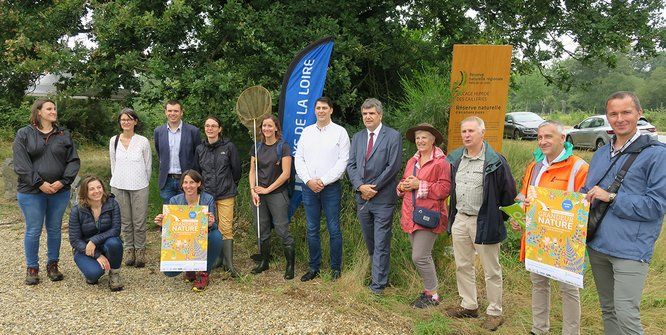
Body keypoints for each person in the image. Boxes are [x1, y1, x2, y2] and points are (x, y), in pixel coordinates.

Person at [582, 91, 666, 335]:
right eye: (613, 113)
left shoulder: (657, 155)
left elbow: (656, 206)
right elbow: (589, 192)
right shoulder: (600, 153)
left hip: (630, 249)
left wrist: (612, 197)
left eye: (626, 112)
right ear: (607, 117)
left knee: (627, 315)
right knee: (608, 310)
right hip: (597, 245)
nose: (620, 119)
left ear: (639, 113)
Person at [510, 121, 588, 335]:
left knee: (569, 290)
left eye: (548, 136)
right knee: (539, 285)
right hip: (537, 239)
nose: (542, 141)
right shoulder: (534, 166)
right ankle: (539, 329)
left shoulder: (578, 167)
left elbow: (585, 206)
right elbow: (523, 196)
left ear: (562, 138)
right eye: (539, 137)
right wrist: (518, 214)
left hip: (566, 242)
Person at [445, 116, 517, 331]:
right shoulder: (457, 159)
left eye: (471, 131)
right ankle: (469, 305)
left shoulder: (495, 161)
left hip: (484, 221)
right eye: (464, 131)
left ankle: (495, 312)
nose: (466, 135)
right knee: (462, 265)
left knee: (491, 270)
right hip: (460, 219)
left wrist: (498, 219)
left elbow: (508, 193)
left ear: (482, 133)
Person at [13, 98, 81, 285]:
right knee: (33, 229)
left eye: (54, 108)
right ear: (39, 112)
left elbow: (73, 160)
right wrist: (39, 183)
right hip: (31, 192)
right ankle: (32, 267)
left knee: (54, 229)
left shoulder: (63, 134)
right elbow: (21, 164)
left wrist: (62, 182)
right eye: (49, 108)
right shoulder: (24, 134)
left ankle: (53, 264)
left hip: (59, 191)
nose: (53, 111)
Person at [346, 98, 402, 294]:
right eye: (364, 114)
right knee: (370, 241)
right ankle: (377, 274)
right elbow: (351, 165)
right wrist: (361, 187)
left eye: (371, 113)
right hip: (362, 198)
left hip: (383, 199)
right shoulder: (358, 137)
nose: (368, 117)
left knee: (381, 241)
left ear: (380, 115)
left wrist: (373, 187)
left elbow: (393, 166)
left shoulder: (393, 136)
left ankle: (378, 285)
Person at [294, 96, 350, 282]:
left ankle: (335, 269)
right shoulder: (307, 132)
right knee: (312, 229)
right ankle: (314, 267)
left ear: (331, 110)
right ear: (314, 110)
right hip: (309, 187)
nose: (321, 111)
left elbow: (343, 161)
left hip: (331, 187)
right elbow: (298, 159)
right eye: (318, 108)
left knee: (333, 228)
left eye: (324, 108)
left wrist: (323, 181)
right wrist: (309, 180)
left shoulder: (340, 133)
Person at [397, 123, 451, 307]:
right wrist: (402, 186)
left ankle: (433, 296)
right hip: (411, 214)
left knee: (420, 256)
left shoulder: (441, 162)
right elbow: (406, 181)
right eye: (418, 138)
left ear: (433, 139)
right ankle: (428, 293)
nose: (420, 141)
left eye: (424, 137)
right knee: (421, 255)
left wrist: (419, 184)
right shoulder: (412, 161)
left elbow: (445, 189)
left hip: (430, 215)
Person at [154, 170, 223, 292]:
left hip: (201, 237)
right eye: (185, 182)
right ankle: (190, 268)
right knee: (169, 272)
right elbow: (170, 231)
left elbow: (214, 225)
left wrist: (210, 223)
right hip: (183, 239)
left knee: (216, 236)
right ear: (181, 185)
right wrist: (163, 225)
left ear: (198, 184)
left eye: (192, 182)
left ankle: (203, 273)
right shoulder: (174, 200)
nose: (188, 186)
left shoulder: (208, 199)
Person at [193, 116, 242, 278]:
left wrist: (228, 184)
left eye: (214, 126)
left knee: (226, 228)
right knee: (209, 227)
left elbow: (237, 171)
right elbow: (196, 172)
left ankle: (229, 263)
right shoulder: (200, 149)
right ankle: (216, 259)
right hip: (206, 196)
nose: (210, 129)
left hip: (226, 194)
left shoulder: (228, 147)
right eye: (207, 126)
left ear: (220, 129)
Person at [249, 115, 295, 279]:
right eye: (264, 126)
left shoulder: (283, 147)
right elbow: (252, 171)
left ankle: (290, 266)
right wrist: (253, 190)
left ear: (276, 128)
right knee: (262, 228)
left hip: (277, 194)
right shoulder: (257, 147)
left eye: (270, 126)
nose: (266, 129)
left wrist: (268, 189)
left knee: (282, 229)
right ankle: (264, 261)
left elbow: (286, 173)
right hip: (259, 194)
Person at [109, 108, 152, 268]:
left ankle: (140, 250)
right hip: (119, 186)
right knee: (125, 221)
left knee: (139, 221)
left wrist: (144, 182)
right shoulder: (114, 140)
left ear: (135, 121)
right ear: (120, 122)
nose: (126, 122)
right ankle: (129, 250)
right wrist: (117, 179)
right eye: (123, 120)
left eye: (129, 119)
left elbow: (148, 165)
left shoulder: (142, 141)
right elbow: (113, 164)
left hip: (140, 185)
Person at [68, 176, 124, 291]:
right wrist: (97, 255)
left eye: (99, 187)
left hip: (106, 244)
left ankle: (114, 274)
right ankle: (93, 270)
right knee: (94, 275)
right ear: (85, 192)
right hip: (85, 249)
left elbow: (116, 230)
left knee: (115, 242)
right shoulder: (77, 210)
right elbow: (75, 240)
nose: (97, 191)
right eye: (92, 189)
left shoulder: (112, 204)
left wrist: (94, 240)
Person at [154, 99, 201, 203]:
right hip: (167, 181)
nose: (172, 113)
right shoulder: (158, 131)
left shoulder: (193, 131)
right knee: (169, 215)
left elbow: (198, 156)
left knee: (187, 213)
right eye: (170, 111)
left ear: (181, 112)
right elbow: (159, 153)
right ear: (165, 112)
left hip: (187, 181)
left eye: (176, 111)